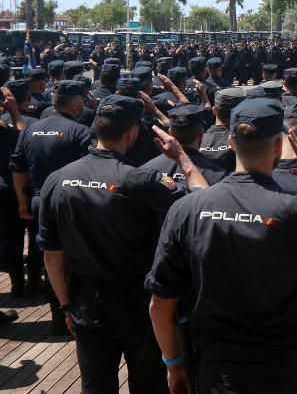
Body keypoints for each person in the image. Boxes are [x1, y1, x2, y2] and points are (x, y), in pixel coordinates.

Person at [147, 98, 297, 394]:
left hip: (218, 369)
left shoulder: (187, 209)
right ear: (279, 147)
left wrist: (174, 363)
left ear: (231, 142)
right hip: (287, 368)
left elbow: (160, 303)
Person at [38, 95, 208, 393]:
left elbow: (52, 256)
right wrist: (181, 157)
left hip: (85, 302)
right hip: (136, 304)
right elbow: (201, 199)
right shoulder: (141, 179)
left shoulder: (57, 180)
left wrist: (66, 305)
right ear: (131, 132)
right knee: (147, 383)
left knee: (96, 385)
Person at [10, 80, 95, 333]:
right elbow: (88, 172)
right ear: (75, 104)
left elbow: (18, 168)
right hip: (71, 203)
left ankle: (57, 317)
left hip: (38, 201)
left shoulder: (30, 130)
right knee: (73, 260)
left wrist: (23, 202)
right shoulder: (80, 132)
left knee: (48, 257)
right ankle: (74, 314)